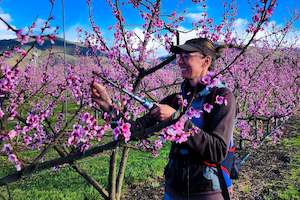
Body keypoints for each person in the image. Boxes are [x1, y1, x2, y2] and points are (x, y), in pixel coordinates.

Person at [91, 38, 236, 200]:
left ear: (206, 61)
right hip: (174, 189)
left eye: (186, 56)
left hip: (207, 191)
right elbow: (133, 131)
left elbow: (217, 150)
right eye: (179, 56)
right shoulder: (176, 100)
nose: (180, 61)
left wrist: (176, 119)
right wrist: (109, 108)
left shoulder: (221, 97)